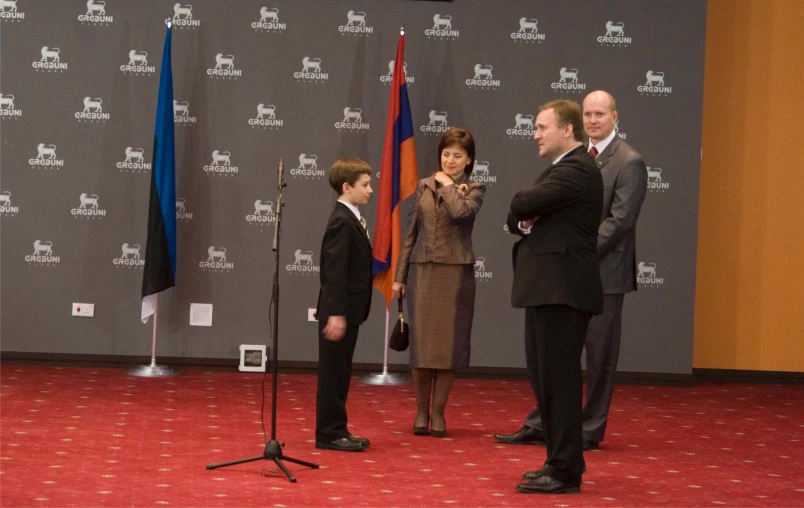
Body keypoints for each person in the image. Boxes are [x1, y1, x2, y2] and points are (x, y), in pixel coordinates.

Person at [495, 91, 647, 452]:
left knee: (598, 357)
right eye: (588, 114)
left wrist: (579, 253)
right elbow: (529, 210)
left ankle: (590, 429)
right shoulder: (569, 159)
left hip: (603, 271)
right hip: (564, 271)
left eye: (599, 114)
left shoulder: (628, 161)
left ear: (615, 116)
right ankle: (543, 423)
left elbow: (621, 220)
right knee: (554, 359)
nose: (593, 120)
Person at [506, 100, 603, 494]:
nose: (535, 133)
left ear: (567, 129)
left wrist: (528, 212)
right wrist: (527, 216)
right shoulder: (563, 169)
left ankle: (564, 471)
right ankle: (558, 460)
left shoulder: (578, 168)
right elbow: (517, 219)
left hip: (563, 291)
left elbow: (520, 204)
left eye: (541, 126)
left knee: (558, 382)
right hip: (549, 289)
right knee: (545, 378)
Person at [392, 128, 486, 438]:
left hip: (456, 273)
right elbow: (410, 234)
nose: (450, 159)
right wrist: (400, 277)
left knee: (447, 346)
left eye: (457, 155)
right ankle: (420, 412)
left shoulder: (475, 188)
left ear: (469, 159)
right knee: (422, 347)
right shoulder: (422, 186)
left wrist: (446, 185)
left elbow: (461, 214)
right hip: (423, 272)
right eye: (446, 154)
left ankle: (438, 413)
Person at [314, 158, 374, 452]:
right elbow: (333, 270)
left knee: (341, 371)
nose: (370, 190)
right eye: (365, 185)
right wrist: (335, 312)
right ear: (347, 187)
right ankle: (328, 433)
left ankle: (338, 428)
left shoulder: (351, 217)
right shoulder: (341, 221)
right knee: (333, 373)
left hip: (349, 311)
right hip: (339, 311)